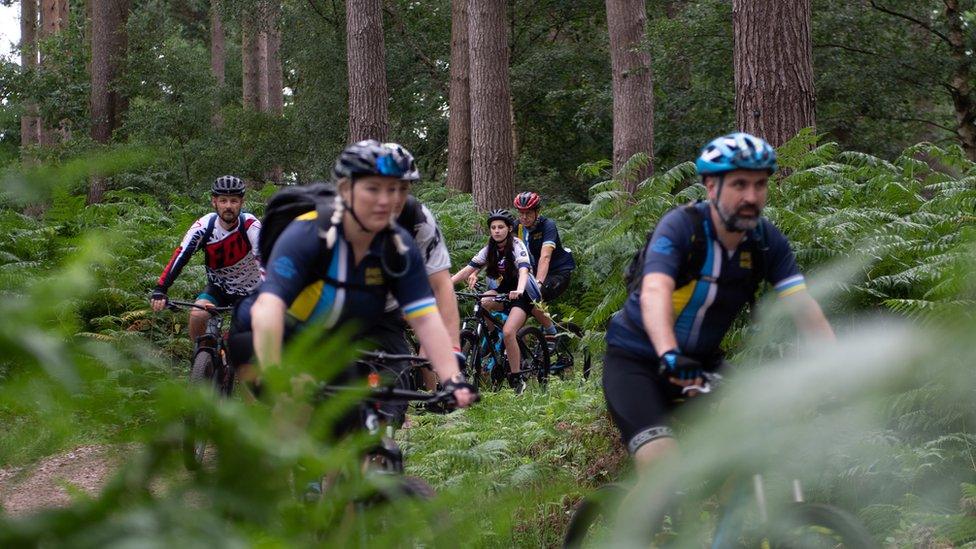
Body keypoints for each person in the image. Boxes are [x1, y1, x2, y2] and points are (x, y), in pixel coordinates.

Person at [602, 132, 835, 470]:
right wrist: (669, 354)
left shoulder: (765, 242)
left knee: (752, 455)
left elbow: (804, 308)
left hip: (701, 366)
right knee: (661, 470)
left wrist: (839, 366)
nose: (751, 197)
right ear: (711, 187)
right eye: (739, 184)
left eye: (759, 185)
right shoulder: (682, 228)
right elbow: (655, 292)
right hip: (637, 362)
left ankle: (732, 520)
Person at [237, 140, 475, 421]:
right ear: (345, 190)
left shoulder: (400, 247)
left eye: (398, 189)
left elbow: (424, 316)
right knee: (297, 413)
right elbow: (269, 308)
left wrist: (452, 378)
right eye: (373, 189)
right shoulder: (309, 233)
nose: (387, 201)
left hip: (343, 337)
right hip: (275, 335)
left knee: (374, 416)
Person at [150, 175, 261, 348]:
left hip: (250, 292)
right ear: (214, 202)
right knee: (197, 314)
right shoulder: (204, 226)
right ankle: (201, 358)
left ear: (241, 202)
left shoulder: (250, 226)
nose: (228, 206)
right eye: (223, 201)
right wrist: (161, 289)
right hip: (219, 288)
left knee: (238, 338)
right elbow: (181, 256)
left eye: (234, 201)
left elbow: (264, 259)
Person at [451, 209, 543, 394]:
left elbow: (524, 270)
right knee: (483, 301)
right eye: (493, 227)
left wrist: (519, 289)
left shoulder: (517, 245)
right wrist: (446, 285)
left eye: (501, 227)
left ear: (509, 229)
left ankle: (517, 378)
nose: (497, 231)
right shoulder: (489, 249)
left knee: (509, 332)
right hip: (502, 292)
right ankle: (491, 335)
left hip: (522, 296)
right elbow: (468, 270)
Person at [512, 191, 577, 345]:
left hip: (557, 273)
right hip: (532, 273)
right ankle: (523, 341)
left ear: (537, 212)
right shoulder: (517, 226)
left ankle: (553, 335)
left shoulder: (548, 226)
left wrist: (538, 283)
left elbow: (545, 257)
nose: (524, 217)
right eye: (521, 213)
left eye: (528, 213)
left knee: (533, 296)